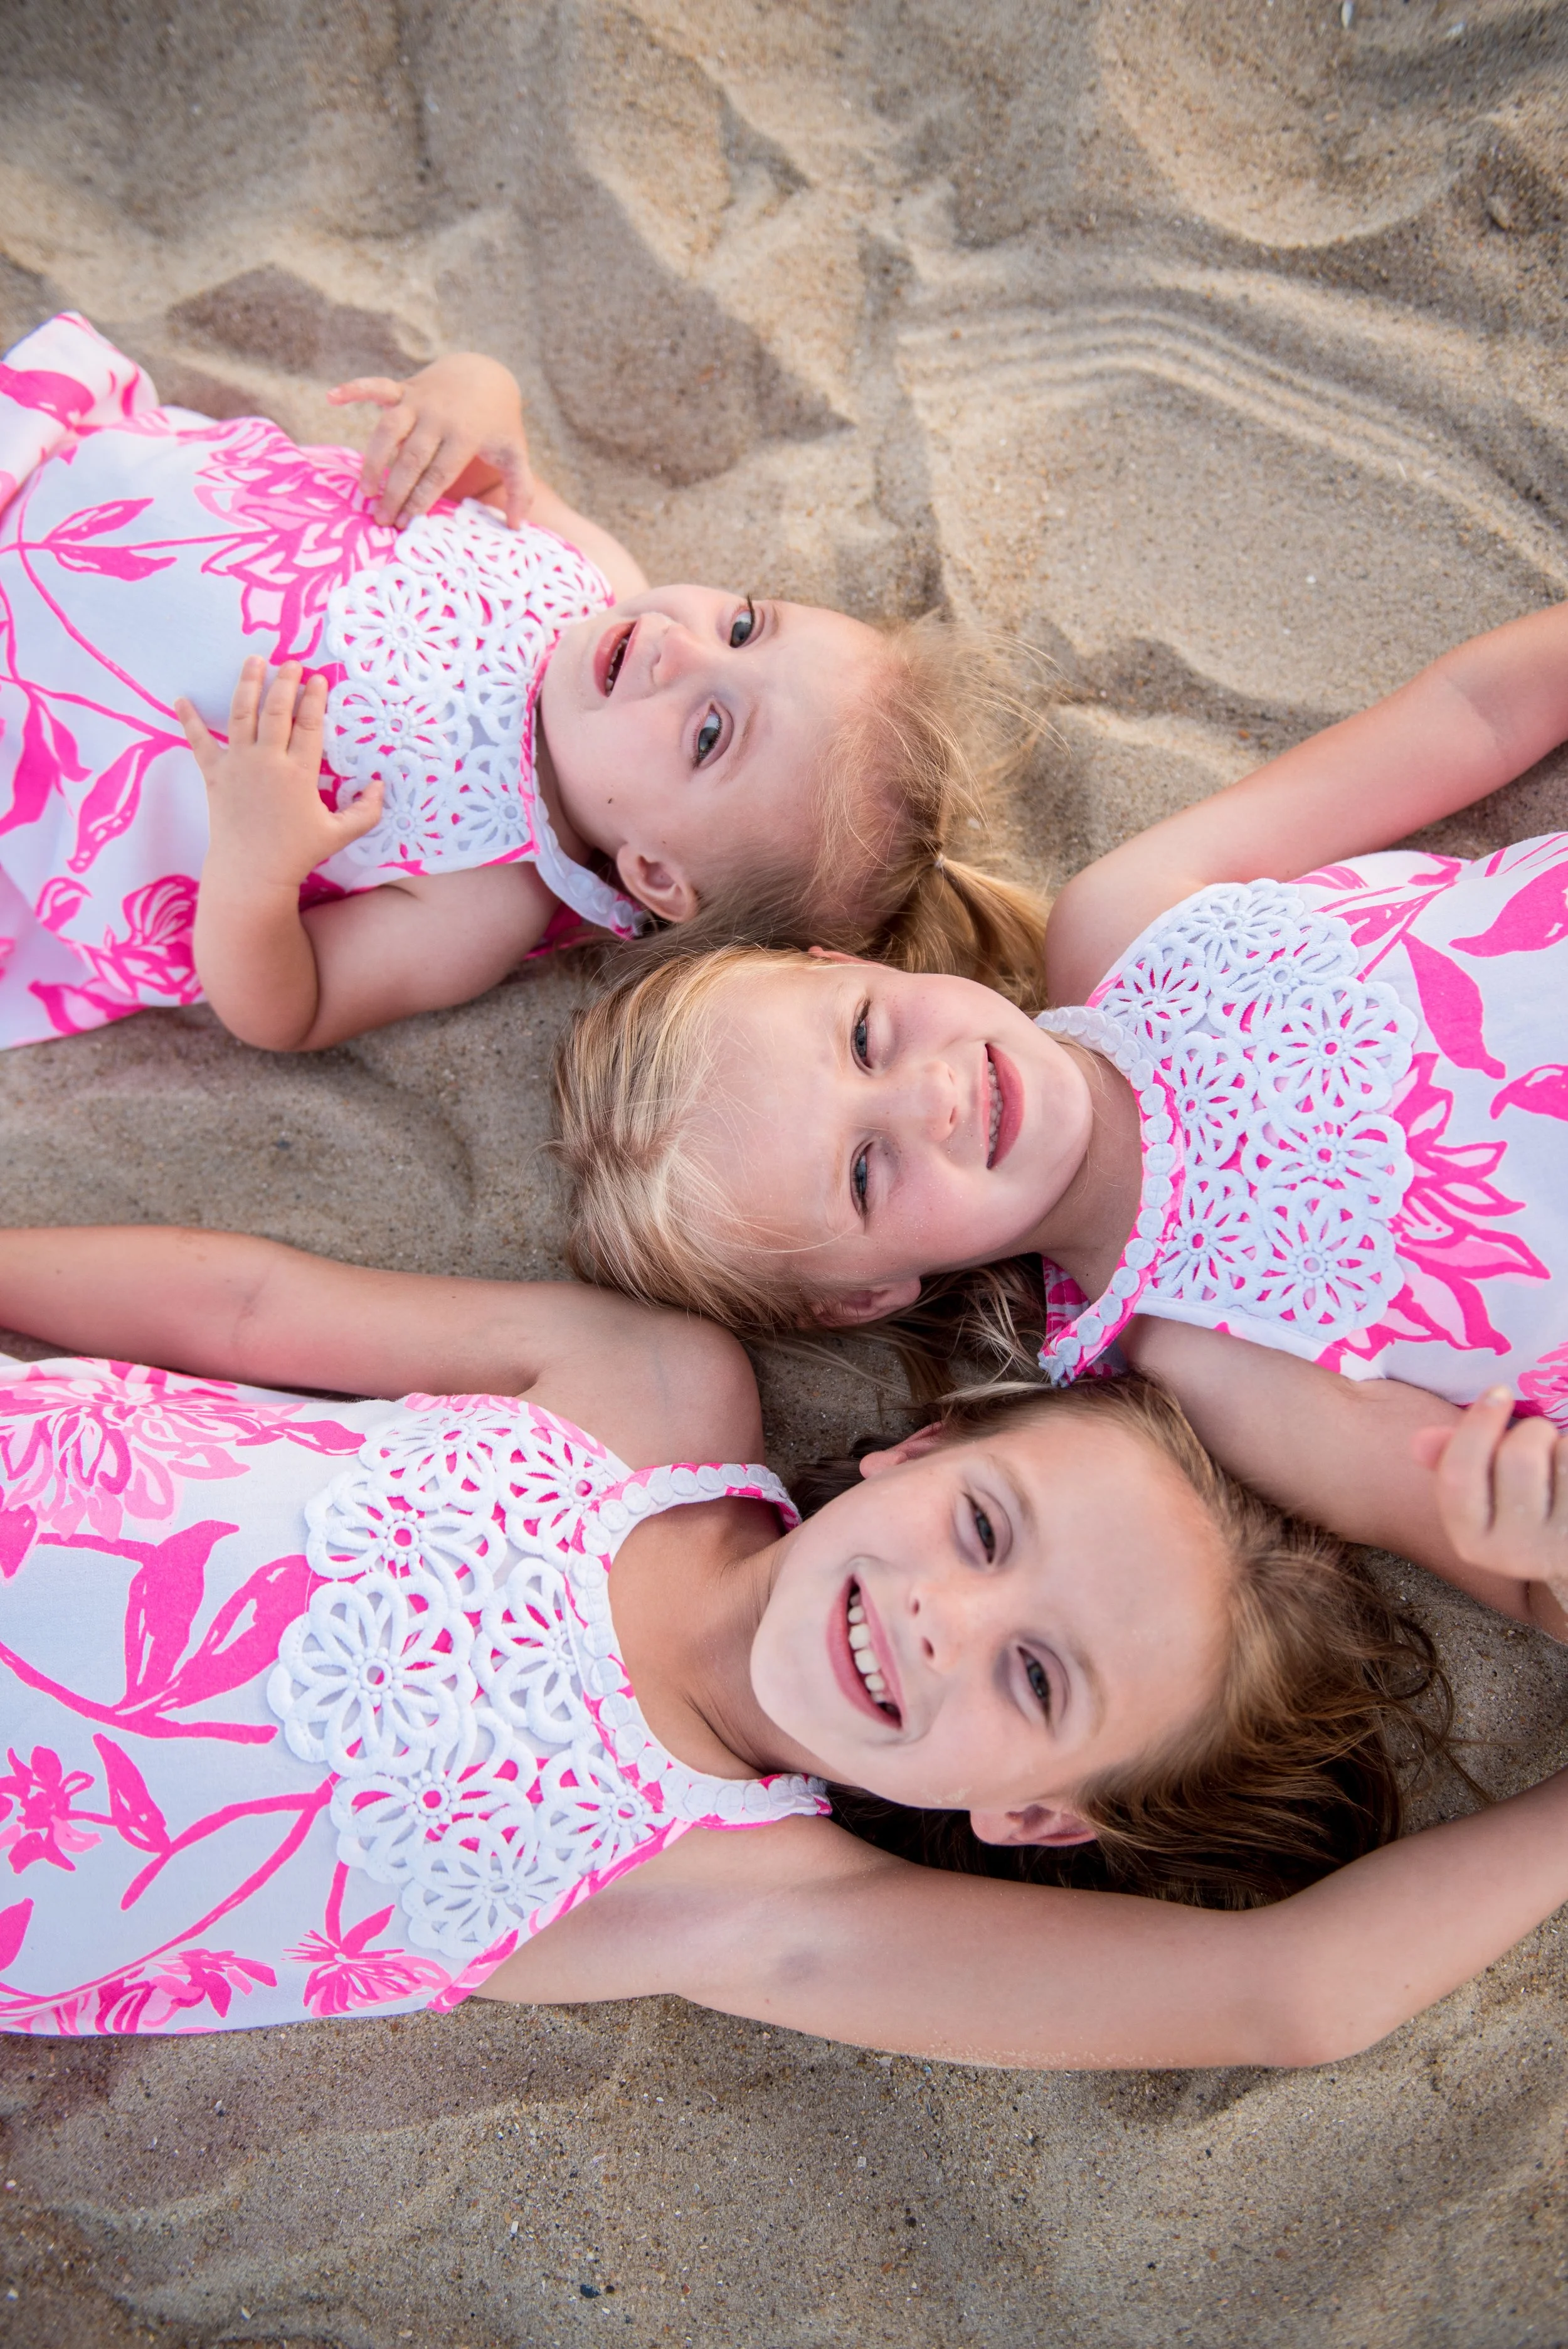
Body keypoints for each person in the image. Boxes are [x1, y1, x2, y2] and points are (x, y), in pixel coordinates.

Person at [3, 1220, 1564, 2062]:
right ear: (915, 1451)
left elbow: (1281, 1995)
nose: (940, 1620)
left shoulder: (739, 1898)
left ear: (1028, 1816)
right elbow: (256, 1304)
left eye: (1036, 1676)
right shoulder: (654, 1396)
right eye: (982, 1528)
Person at [554, 599, 1568, 1641]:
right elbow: (1522, 1570)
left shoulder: (1127, 920)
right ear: (864, 1297)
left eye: (864, 1038)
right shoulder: (1213, 1365)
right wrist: (1539, 1540)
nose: (931, 1098)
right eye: (864, 1172)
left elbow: (1471, 714)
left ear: (851, 965)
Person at [0, 313, 1043, 1052]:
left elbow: (289, 1009)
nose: (684, 649)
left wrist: (258, 873)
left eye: (711, 733)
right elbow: (496, 458)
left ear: (654, 874)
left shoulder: (482, 895)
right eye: (744, 623)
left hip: (47, 729)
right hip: (67, 476)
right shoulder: (599, 575)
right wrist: (470, 391)